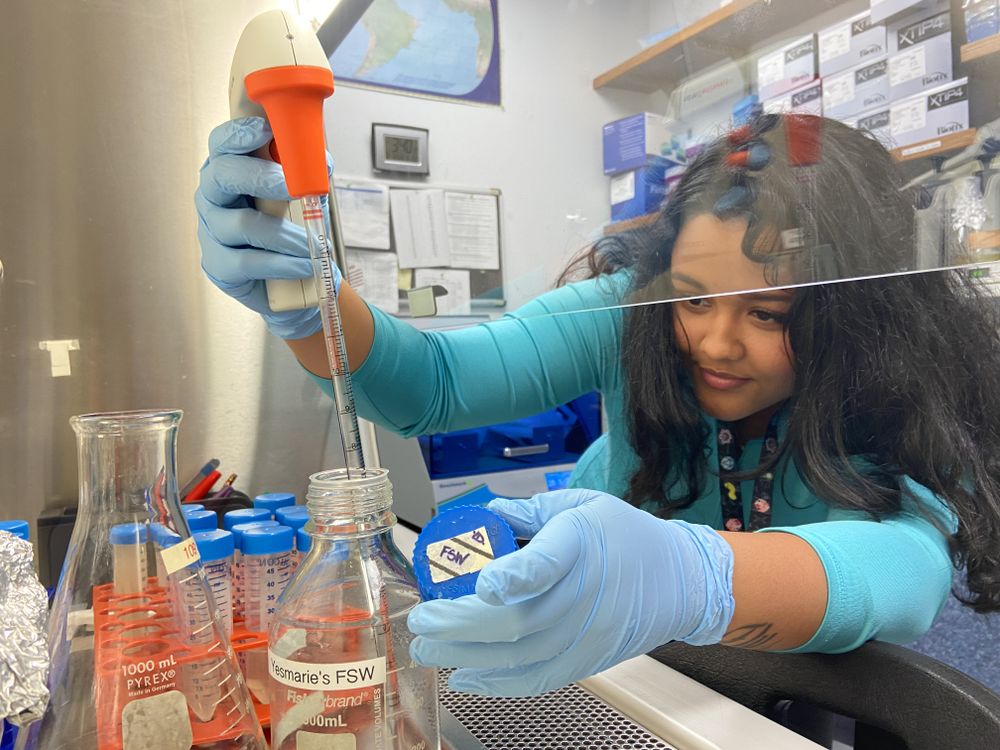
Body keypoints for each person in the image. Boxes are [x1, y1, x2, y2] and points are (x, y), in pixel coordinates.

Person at [196, 113, 1000, 697]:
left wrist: (700, 577)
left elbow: (910, 570)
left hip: (810, 697)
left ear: (854, 317)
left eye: (768, 314)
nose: (716, 344)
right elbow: (435, 383)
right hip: (626, 677)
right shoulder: (628, 314)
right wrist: (309, 300)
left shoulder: (894, 377)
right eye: (691, 301)